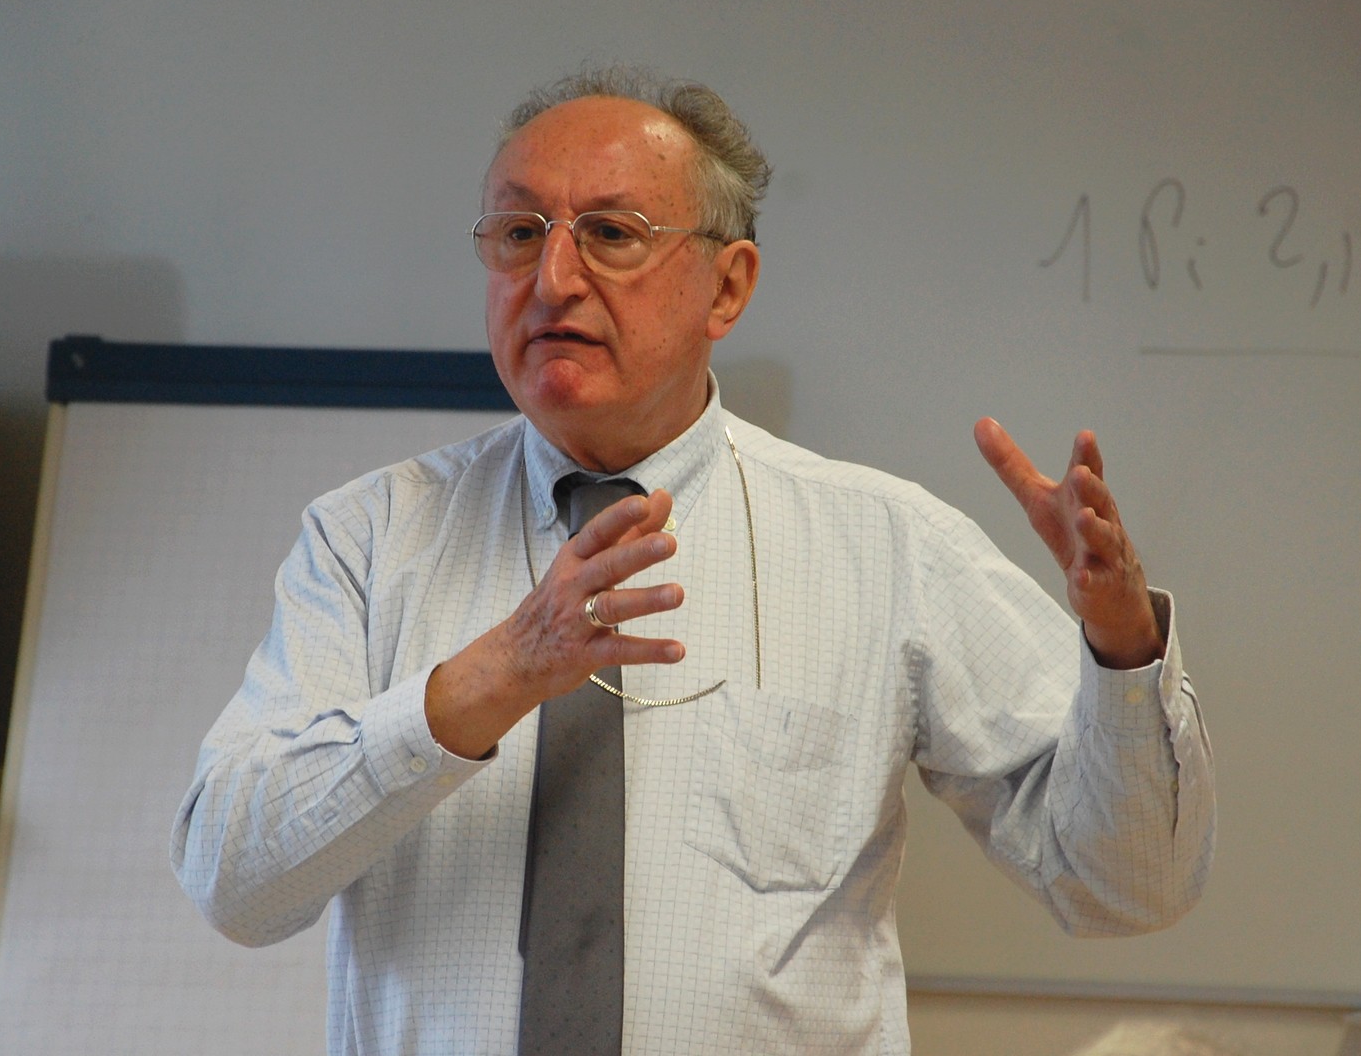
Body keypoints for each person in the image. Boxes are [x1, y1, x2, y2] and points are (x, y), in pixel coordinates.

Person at [171, 66, 1214, 1055]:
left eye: (611, 234)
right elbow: (233, 880)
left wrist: (1121, 649)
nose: (552, 279)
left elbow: (1126, 885)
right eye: (519, 233)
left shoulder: (885, 544)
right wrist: (491, 681)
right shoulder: (366, 539)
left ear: (729, 286)